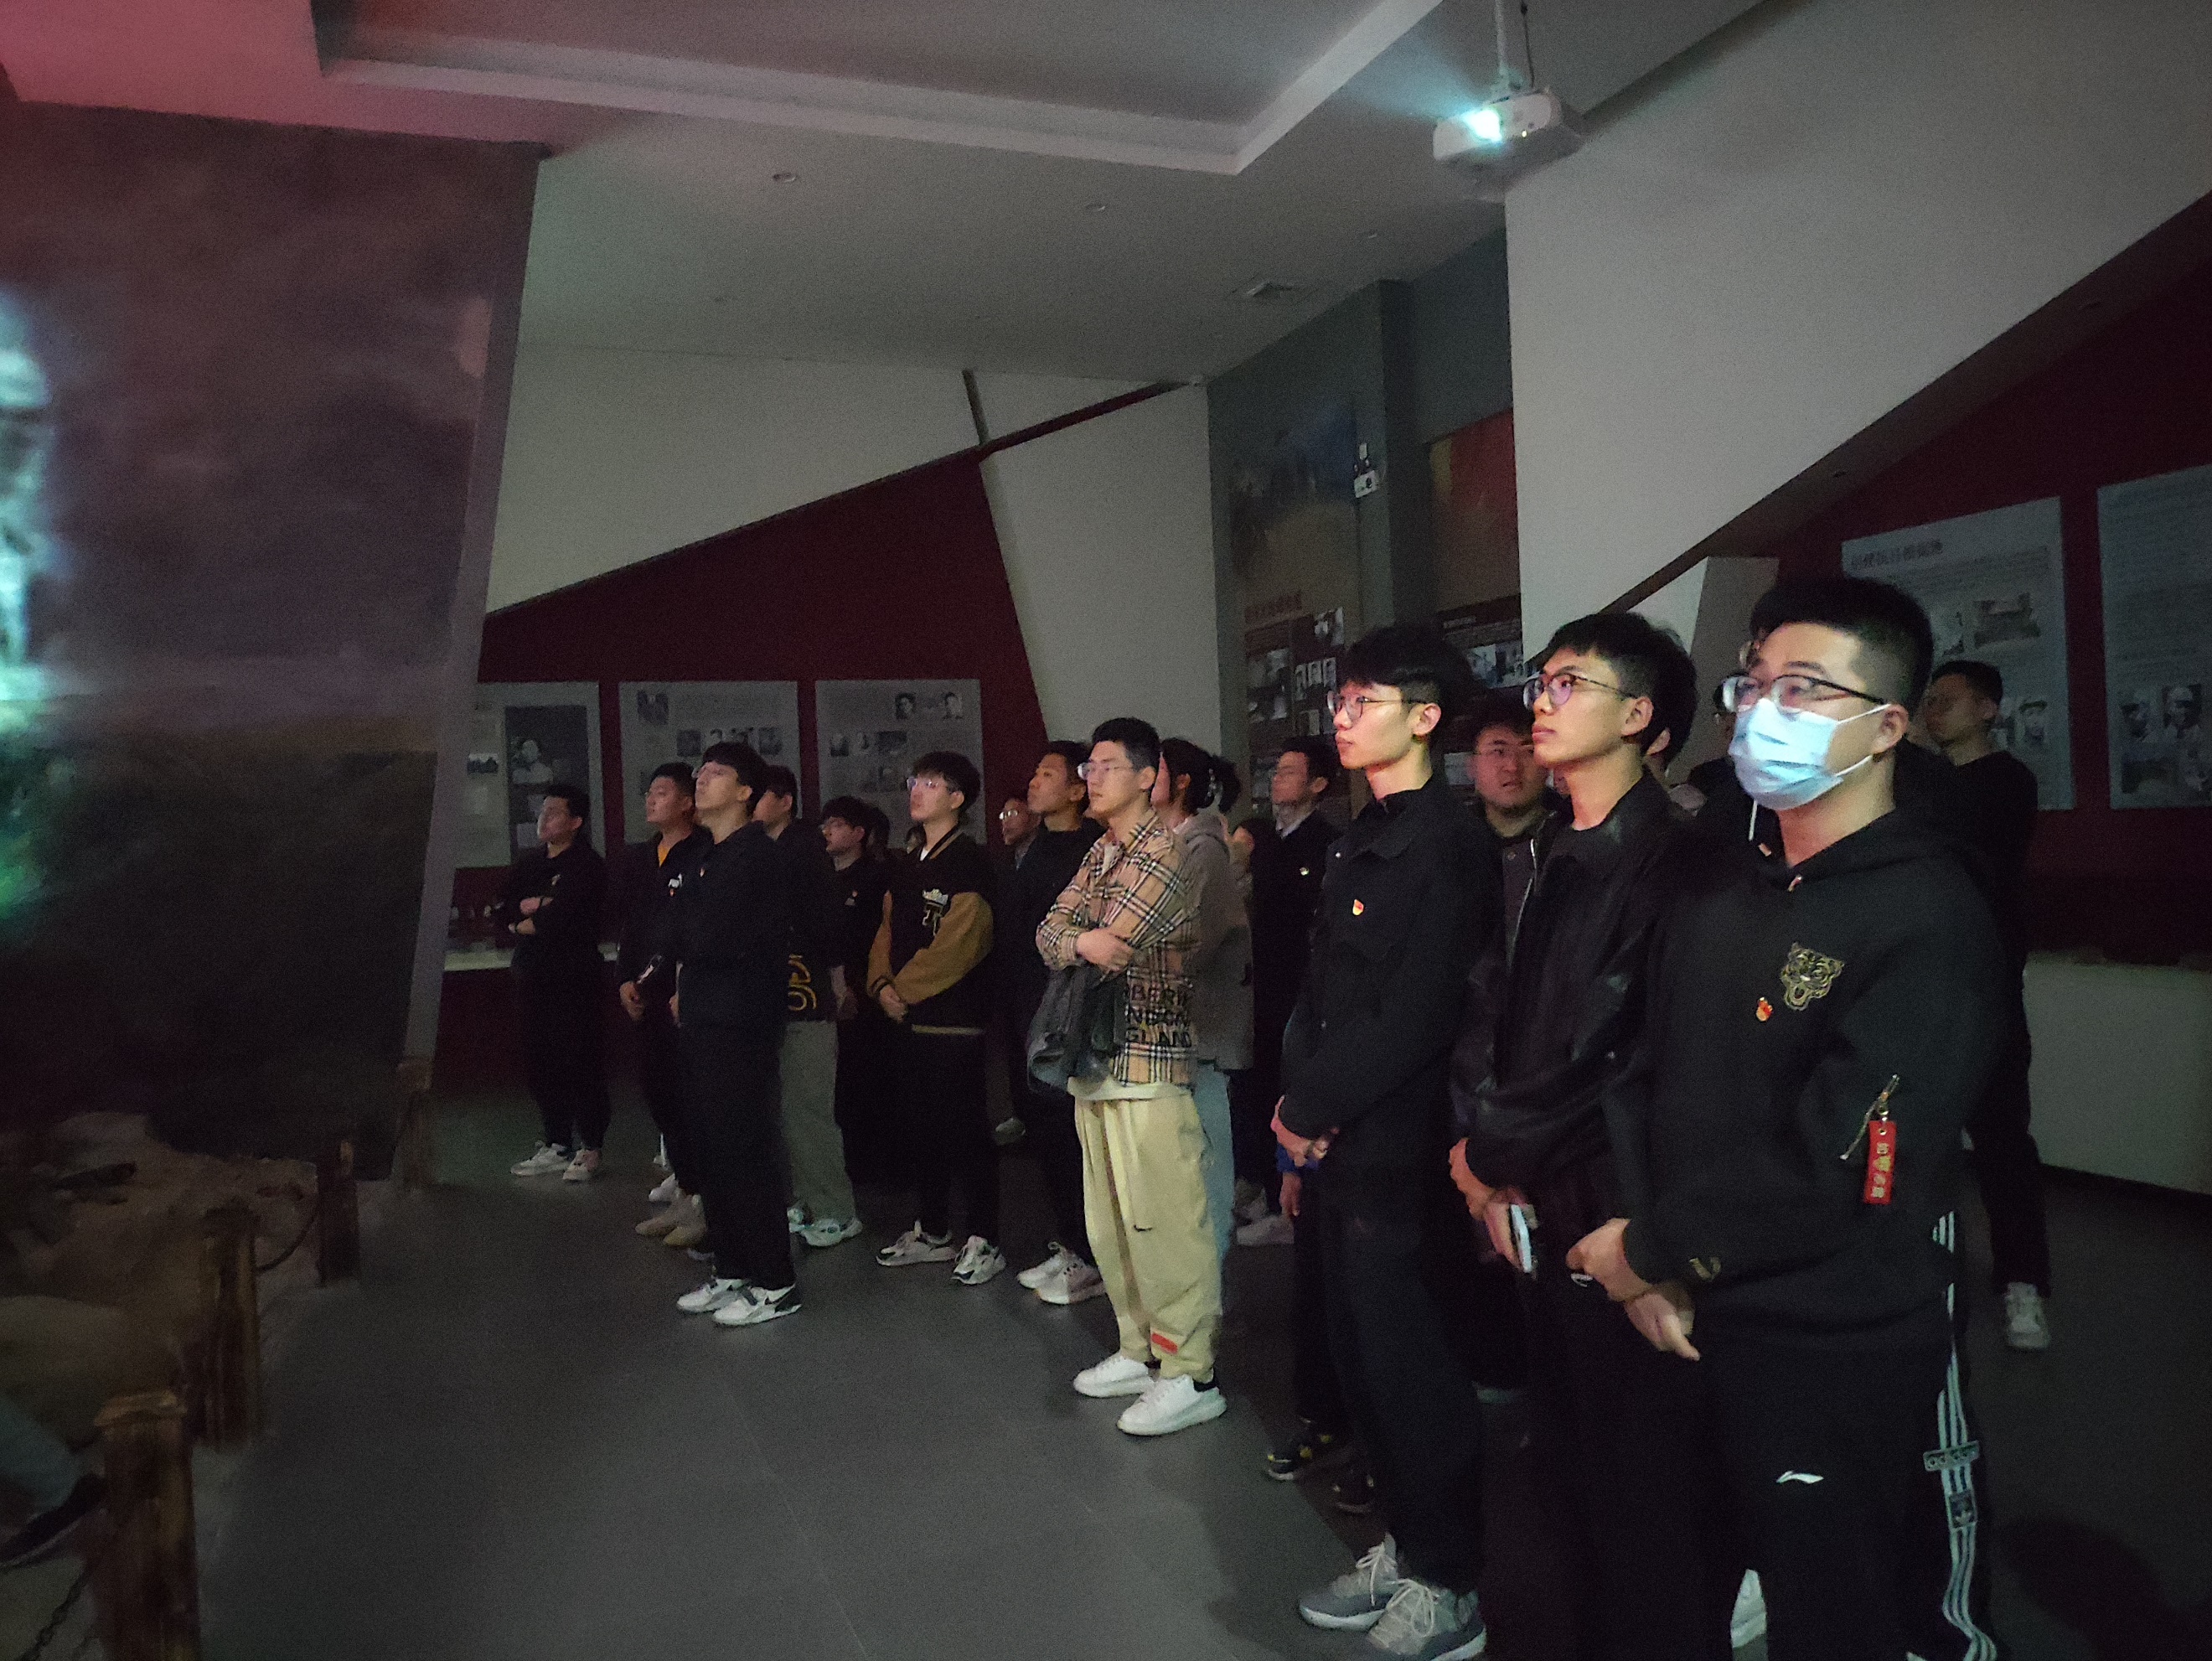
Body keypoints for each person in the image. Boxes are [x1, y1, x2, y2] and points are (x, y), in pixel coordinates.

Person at [1576, 577, 2008, 1661]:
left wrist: (1650, 1247)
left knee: (1833, 1606)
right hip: (1679, 1312)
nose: (1766, 709)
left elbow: (1849, 1163)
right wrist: (1649, 1251)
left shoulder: (1926, 911)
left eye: (1806, 688)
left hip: (1824, 1337)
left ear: (1888, 725)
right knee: (1658, 1589)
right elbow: (1638, 1069)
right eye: (1756, 683)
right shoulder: (1722, 886)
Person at [1449, 613, 1730, 1661]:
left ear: (1642, 716)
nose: (1544, 700)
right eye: (1544, 681)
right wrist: (1487, 1162)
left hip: (1621, 1210)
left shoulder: (1675, 861)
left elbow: (1614, 1054)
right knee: (1570, 1478)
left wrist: (1488, 1155)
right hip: (1547, 1198)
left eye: (1572, 682)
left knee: (1647, 1500)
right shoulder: (1555, 849)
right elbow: (1502, 1022)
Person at [1279, 625, 1496, 1660]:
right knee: (1360, 1354)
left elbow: (1415, 1012)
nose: (1343, 716)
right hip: (1339, 1137)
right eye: (1341, 700)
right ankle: (1408, 1543)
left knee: (1412, 1364)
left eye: (1364, 700)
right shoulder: (1358, 835)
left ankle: (1450, 1578)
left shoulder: (1447, 843)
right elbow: (1323, 992)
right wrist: (1300, 1106)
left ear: (1426, 716)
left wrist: (1311, 1105)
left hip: (1399, 1146)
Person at [1037, 717, 1220, 1437]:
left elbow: (1116, 941)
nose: (1092, 778)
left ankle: (1191, 1370)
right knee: (1111, 1224)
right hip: (1096, 1060)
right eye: (1089, 767)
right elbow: (1051, 933)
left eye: (1107, 766)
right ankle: (1141, 1348)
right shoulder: (1103, 850)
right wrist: (1081, 938)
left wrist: (1081, 938)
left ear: (1149, 777)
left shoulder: (1166, 853)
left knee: (1165, 1224)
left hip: (1148, 1058)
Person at [1921, 660, 2053, 1350]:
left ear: (1988, 709)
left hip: (1988, 987)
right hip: (1927, 985)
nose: (1935, 710)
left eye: (1949, 700)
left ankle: (2022, 1282)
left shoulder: (2005, 782)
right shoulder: (1929, 784)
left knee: (2002, 1140)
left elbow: (1972, 854)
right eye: (1930, 700)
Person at [662, 742, 803, 1327]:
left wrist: (687, 935)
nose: (702, 779)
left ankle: (775, 1281)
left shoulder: (757, 856)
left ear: (746, 792)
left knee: (746, 1149)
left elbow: (714, 936)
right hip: (703, 1016)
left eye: (717, 773)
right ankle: (733, 1268)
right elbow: (677, 930)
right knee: (712, 1148)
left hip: (741, 1020)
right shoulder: (706, 855)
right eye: (701, 771)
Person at [868, 751, 1005, 1286]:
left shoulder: (970, 861)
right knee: (921, 1129)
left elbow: (963, 942)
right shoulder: (906, 862)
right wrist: (880, 985)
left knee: (965, 1131)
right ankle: (933, 1230)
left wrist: (901, 990)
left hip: (954, 1020)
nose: (917, 790)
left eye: (931, 783)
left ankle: (984, 1238)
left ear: (957, 798)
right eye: (915, 781)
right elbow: (885, 930)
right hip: (906, 1020)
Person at [998, 742, 1108, 1306]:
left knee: (1073, 1134)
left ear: (1077, 789)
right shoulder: (1034, 845)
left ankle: (1092, 1255)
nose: (1034, 782)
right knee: (1044, 1131)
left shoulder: (1090, 847)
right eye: (1035, 772)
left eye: (1048, 774)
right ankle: (1069, 1242)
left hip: (1065, 1010)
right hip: (1027, 1004)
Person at [1237, 736, 1342, 1244]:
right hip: (1259, 980)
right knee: (1256, 1084)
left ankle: (1290, 1203)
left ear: (1318, 784)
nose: (1277, 779)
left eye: (1290, 771)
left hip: (1300, 982)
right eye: (1275, 770)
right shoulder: (1262, 838)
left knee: (1290, 1084)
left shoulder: (1326, 842)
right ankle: (1260, 1186)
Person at [1152, 738, 1252, 1261]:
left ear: (1181, 783)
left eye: (1154, 769)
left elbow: (1190, 944)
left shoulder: (1203, 849)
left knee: (1205, 1164)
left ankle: (1210, 1279)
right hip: (1175, 1034)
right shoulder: (1166, 843)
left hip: (1202, 1033)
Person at [756, 767, 862, 1250]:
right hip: (785, 994)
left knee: (808, 1109)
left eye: (761, 796)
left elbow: (827, 923)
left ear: (784, 801)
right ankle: (807, 1198)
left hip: (808, 995)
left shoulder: (803, 852)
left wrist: (837, 980)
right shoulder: (772, 849)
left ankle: (837, 1210)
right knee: (789, 1109)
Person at [615, 763, 711, 1244]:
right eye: (649, 792)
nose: (651, 800)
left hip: (684, 993)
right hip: (645, 991)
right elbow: (630, 927)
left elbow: (696, 928)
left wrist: (683, 983)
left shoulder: (705, 853)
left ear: (688, 802)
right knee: (660, 1096)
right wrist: (623, 980)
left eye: (662, 792)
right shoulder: (639, 858)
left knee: (693, 1099)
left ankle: (706, 1204)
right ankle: (685, 1193)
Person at [500, 784, 613, 1182]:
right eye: (542, 812)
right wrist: (527, 916)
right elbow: (503, 911)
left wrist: (538, 912)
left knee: (579, 1059)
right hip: (533, 974)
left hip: (574, 977)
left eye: (553, 813)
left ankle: (590, 1146)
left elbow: (567, 918)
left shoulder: (587, 866)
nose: (543, 820)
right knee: (540, 1060)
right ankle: (556, 1141)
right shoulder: (530, 863)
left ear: (576, 821)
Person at [822, 796, 897, 1185]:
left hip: (866, 988)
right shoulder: (820, 878)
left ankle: (880, 1166)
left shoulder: (876, 878)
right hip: (826, 988)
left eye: (836, 825)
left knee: (870, 1078)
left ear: (858, 833)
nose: (827, 832)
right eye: (825, 825)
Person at [1465, 694, 1552, 930]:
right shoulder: (1452, 844)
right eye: (1498, 752)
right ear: (1471, 766)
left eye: (1528, 751)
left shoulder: (1572, 840)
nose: (1513, 767)